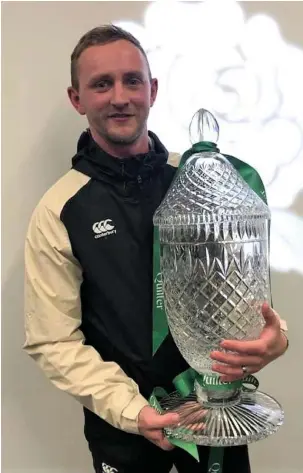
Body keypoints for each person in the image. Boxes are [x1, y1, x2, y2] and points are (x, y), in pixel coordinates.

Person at [23, 25, 289, 473]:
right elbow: (53, 340)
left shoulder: (199, 183)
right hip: (126, 432)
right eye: (101, 84)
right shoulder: (60, 208)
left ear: (153, 89)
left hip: (215, 416)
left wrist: (274, 337)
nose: (120, 96)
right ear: (77, 99)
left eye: (132, 80)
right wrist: (132, 410)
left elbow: (241, 291)